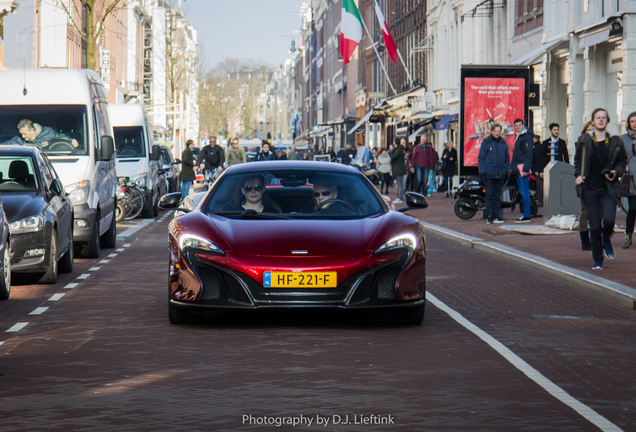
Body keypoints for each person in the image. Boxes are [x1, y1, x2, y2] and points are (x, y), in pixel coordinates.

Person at [574, 108, 627, 269]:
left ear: (607, 121)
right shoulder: (584, 141)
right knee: (595, 226)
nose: (601, 120)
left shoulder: (615, 142)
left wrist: (615, 172)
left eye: (604, 117)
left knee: (610, 220)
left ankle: (606, 238)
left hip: (608, 189)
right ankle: (598, 259)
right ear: (593, 122)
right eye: (598, 118)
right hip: (589, 189)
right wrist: (578, 175)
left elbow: (622, 161)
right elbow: (578, 162)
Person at [478, 124, 510, 224]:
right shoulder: (486, 143)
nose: (497, 133)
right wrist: (482, 171)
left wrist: (507, 170)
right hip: (489, 173)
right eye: (495, 131)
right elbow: (481, 158)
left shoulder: (503, 143)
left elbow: (507, 158)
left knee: (497, 196)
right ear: (491, 131)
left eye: (498, 131)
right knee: (489, 195)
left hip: (500, 173)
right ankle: (489, 216)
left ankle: (496, 216)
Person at [533, 123, 570, 206]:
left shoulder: (562, 142)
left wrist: (567, 169)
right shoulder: (545, 143)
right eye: (554, 130)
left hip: (559, 167)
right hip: (549, 168)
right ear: (550, 131)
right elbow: (542, 158)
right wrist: (541, 170)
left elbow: (566, 156)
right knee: (549, 186)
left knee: (559, 186)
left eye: (557, 130)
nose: (556, 132)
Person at [511, 119, 534, 222]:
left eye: (519, 125)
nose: (518, 127)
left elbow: (529, 154)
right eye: (516, 125)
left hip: (522, 169)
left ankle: (527, 215)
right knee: (523, 191)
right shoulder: (521, 136)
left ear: (523, 125)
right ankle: (526, 214)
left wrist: (526, 169)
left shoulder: (526, 137)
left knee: (524, 192)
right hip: (519, 168)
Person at [619, 112, 636, 249]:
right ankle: (628, 235)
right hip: (631, 178)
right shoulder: (623, 139)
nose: (634, 124)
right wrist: (623, 167)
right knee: (633, 208)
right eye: (632, 121)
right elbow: (619, 157)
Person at [3, 118, 79, 148]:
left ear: (32, 130)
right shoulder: (18, 138)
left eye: (25, 134)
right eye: (21, 134)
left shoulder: (48, 132)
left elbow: (61, 137)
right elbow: (7, 144)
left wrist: (71, 140)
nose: (22, 136)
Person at [577, 122, 594, 251]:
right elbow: (577, 161)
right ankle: (585, 241)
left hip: (598, 183)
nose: (591, 131)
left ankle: (596, 240)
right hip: (585, 183)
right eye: (589, 130)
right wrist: (578, 176)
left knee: (599, 213)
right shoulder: (581, 145)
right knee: (584, 212)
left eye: (593, 129)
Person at [389, 137, 407, 203]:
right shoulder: (398, 149)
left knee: (400, 184)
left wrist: (390, 152)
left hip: (399, 169)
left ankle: (400, 198)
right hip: (397, 169)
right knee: (399, 184)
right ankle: (399, 197)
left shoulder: (398, 149)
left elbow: (393, 156)